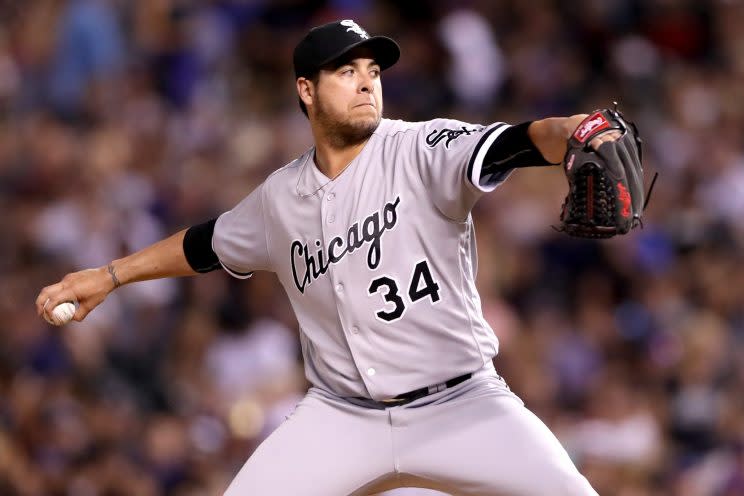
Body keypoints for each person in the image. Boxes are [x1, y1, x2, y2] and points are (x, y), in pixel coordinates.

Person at [36, 19, 615, 495]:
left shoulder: (420, 147)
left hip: (461, 401)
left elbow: (517, 140)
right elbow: (202, 245)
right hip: (343, 416)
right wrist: (109, 276)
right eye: (346, 71)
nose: (367, 83)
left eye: (373, 71)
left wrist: (573, 128)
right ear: (306, 91)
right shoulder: (279, 198)